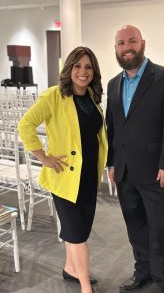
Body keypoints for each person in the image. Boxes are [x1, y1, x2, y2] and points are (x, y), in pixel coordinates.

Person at [18, 46, 108, 293]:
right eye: (77, 66)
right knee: (78, 233)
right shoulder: (54, 96)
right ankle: (85, 286)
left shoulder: (91, 96)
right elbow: (25, 125)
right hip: (65, 176)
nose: (83, 71)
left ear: (94, 72)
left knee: (76, 228)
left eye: (88, 67)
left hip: (88, 174)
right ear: (68, 69)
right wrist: (43, 157)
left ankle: (71, 268)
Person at [106, 25, 164, 293]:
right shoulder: (113, 84)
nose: (126, 47)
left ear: (143, 43)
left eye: (132, 41)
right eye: (120, 43)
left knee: (160, 228)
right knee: (135, 226)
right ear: (116, 48)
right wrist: (112, 163)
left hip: (156, 172)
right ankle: (142, 271)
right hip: (126, 171)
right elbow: (113, 127)